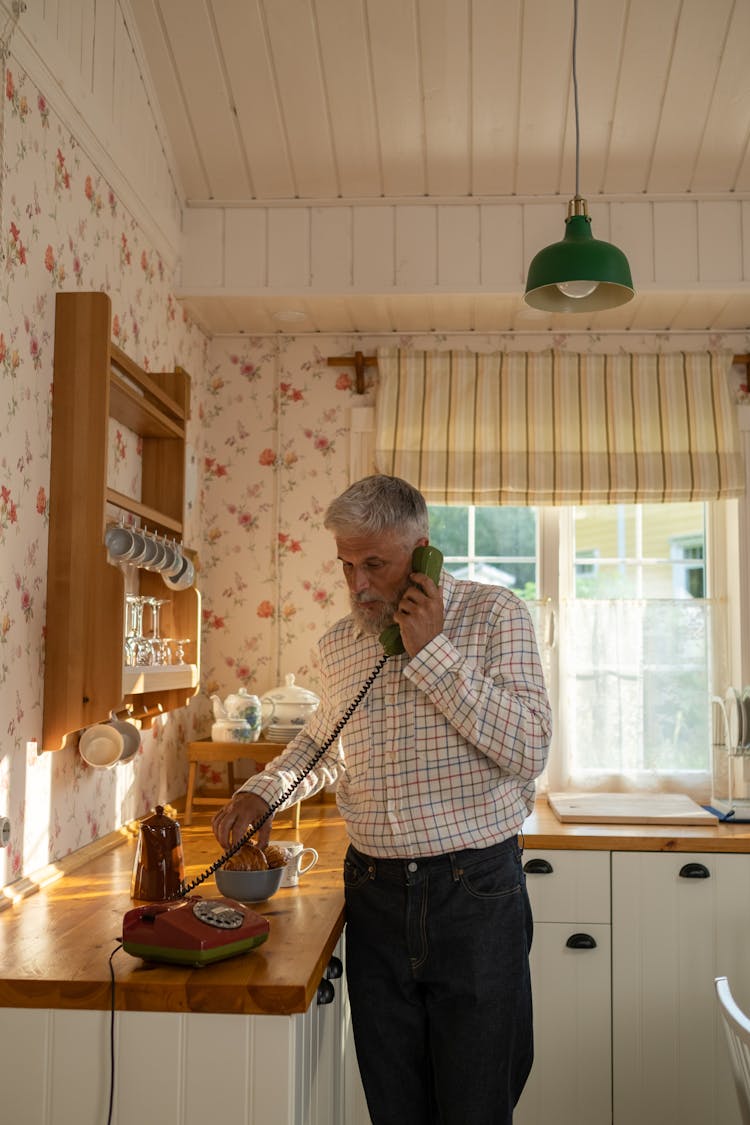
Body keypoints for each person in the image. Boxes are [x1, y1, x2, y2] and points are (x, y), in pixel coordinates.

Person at [213, 474, 552, 1124]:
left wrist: (432, 653)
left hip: (474, 894)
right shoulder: (342, 644)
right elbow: (323, 741)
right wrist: (262, 793)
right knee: (395, 1110)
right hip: (375, 895)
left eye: (375, 563)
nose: (358, 585)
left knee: (476, 1108)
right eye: (346, 564)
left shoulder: (494, 614)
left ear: (422, 549)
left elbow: (529, 746)